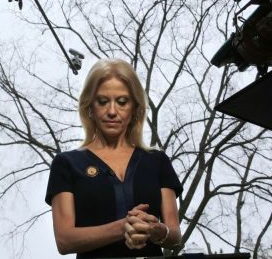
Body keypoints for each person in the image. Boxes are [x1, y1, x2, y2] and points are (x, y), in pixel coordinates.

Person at [45, 58, 183, 258]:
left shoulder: (158, 161)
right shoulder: (66, 164)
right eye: (102, 101)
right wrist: (123, 227)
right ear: (90, 107)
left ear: (135, 108)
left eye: (121, 102)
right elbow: (64, 240)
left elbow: (174, 234)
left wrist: (155, 230)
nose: (111, 111)